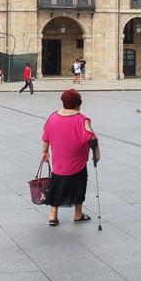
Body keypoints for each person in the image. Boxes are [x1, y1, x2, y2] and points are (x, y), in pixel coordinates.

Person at [40, 89, 99, 226]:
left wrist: (45, 152)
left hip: (59, 163)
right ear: (78, 104)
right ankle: (78, 214)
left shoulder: (53, 117)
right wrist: (96, 155)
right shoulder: (81, 119)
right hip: (77, 163)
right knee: (79, 185)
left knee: (57, 185)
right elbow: (92, 138)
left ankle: (53, 215)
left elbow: (46, 137)